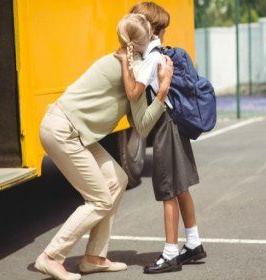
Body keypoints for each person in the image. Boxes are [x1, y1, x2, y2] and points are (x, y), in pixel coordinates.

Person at [34, 14, 174, 280]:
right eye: (156, 34)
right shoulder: (130, 67)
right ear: (146, 39)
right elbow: (139, 105)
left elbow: (141, 126)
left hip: (75, 133)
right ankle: (51, 256)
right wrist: (163, 90)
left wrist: (157, 94)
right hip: (63, 130)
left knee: (117, 179)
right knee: (99, 198)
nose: (159, 39)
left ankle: (94, 257)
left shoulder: (130, 65)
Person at [125, 2, 207, 274]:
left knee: (168, 190)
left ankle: (171, 253)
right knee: (181, 186)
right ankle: (193, 243)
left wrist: (125, 60)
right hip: (176, 124)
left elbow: (134, 93)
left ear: (146, 30)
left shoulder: (151, 59)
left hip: (165, 126)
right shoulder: (162, 53)